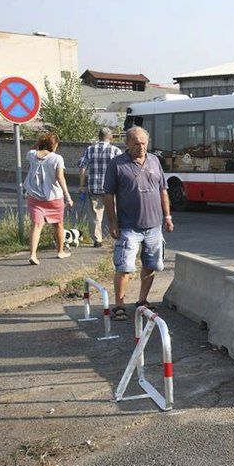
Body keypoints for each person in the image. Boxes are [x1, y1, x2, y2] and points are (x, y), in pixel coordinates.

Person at [103, 126, 175, 321]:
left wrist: (167, 217)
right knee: (124, 267)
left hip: (154, 226)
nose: (141, 147)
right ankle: (119, 305)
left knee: (151, 265)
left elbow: (163, 190)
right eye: (136, 143)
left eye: (144, 143)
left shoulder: (154, 161)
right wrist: (113, 222)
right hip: (128, 227)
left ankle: (142, 301)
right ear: (127, 144)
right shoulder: (117, 164)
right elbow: (108, 195)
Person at [23, 131, 74, 265]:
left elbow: (31, 149)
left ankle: (33, 255)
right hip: (53, 198)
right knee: (58, 225)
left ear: (41, 143)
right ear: (55, 144)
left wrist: (40, 142)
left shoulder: (32, 155)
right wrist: (68, 197)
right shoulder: (57, 158)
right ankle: (60, 251)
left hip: (34, 197)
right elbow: (60, 177)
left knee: (36, 225)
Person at [77, 126, 122, 247]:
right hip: (111, 188)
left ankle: (97, 240)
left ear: (99, 136)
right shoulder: (116, 150)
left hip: (94, 187)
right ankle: (118, 237)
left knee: (95, 215)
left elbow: (82, 167)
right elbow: (122, 169)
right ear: (110, 137)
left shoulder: (90, 149)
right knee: (115, 212)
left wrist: (82, 184)